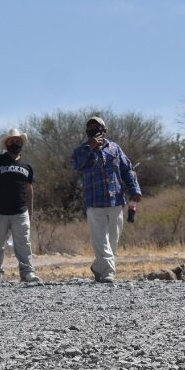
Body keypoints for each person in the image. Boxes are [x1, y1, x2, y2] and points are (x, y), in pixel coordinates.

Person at [71, 116, 141, 283]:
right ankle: (109, 272)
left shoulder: (115, 148)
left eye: (97, 127)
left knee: (113, 239)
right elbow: (76, 166)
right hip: (94, 202)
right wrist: (91, 148)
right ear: (87, 132)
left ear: (105, 130)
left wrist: (134, 189)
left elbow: (127, 170)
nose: (94, 130)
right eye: (90, 128)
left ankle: (98, 266)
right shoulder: (81, 150)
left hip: (115, 199)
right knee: (100, 239)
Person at [0, 129, 40, 283]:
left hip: (20, 212)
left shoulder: (27, 166)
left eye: (18, 141)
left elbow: (29, 188)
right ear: (6, 144)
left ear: (22, 144)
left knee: (24, 243)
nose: (15, 143)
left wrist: (30, 210)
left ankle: (27, 273)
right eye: (11, 141)